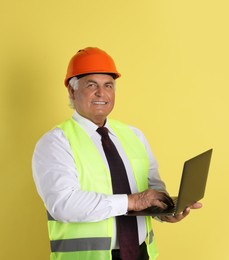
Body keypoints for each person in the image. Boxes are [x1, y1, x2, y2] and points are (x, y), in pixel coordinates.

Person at [32, 47, 202, 260]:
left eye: (108, 85)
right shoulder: (56, 143)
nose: (101, 93)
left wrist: (164, 211)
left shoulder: (134, 135)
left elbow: (152, 186)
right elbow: (63, 204)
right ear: (72, 91)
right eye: (91, 85)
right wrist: (132, 201)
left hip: (141, 253)